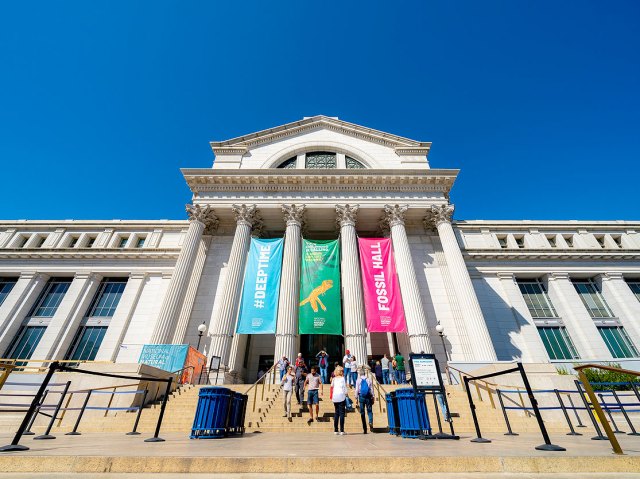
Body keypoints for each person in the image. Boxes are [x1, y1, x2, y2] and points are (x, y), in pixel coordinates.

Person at [355, 367, 374, 434]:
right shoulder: (368, 379)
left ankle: (365, 429)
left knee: (362, 413)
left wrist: (356, 398)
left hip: (361, 396)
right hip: (368, 396)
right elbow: (371, 389)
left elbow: (357, 390)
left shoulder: (358, 380)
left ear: (360, 374)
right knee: (369, 411)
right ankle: (371, 421)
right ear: (365, 373)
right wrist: (373, 396)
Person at [331, 366, 348, 435]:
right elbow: (344, 387)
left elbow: (332, 386)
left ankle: (335, 430)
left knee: (336, 413)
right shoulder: (342, 379)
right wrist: (346, 394)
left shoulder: (334, 379)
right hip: (341, 396)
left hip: (335, 397)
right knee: (342, 414)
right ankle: (342, 430)